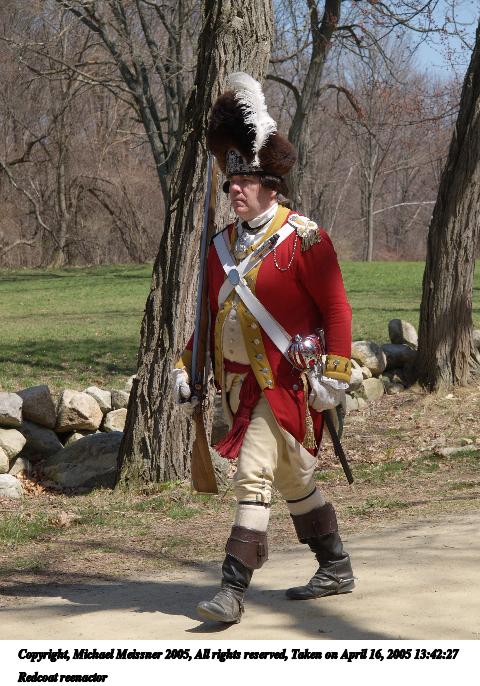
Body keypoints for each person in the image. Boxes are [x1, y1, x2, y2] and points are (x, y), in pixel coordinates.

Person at [172, 72, 354, 624]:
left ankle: (231, 590)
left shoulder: (305, 239)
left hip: (286, 384)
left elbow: (337, 310)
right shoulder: (220, 247)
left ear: (271, 186)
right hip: (237, 387)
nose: (234, 189)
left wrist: (335, 375)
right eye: (231, 181)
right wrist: (184, 366)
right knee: (294, 477)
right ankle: (335, 565)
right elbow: (208, 318)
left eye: (245, 181)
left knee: (253, 473)